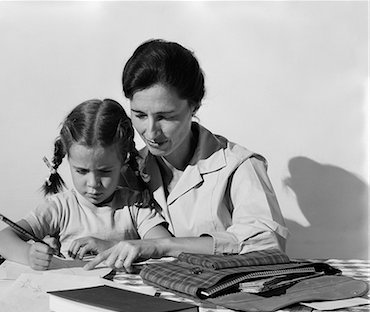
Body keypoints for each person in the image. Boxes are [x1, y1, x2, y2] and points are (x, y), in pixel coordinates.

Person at [81, 39, 289, 272]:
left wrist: (161, 245)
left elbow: (268, 244)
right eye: (139, 115)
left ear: (195, 106)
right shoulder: (126, 170)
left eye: (165, 117)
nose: (150, 132)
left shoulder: (239, 166)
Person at [0, 99, 170, 270]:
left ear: (123, 161)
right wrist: (30, 255)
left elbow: (164, 246)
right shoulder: (60, 208)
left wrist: (112, 247)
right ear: (68, 159)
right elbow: (1, 239)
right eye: (82, 171)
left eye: (105, 172)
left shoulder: (135, 206)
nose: (93, 184)